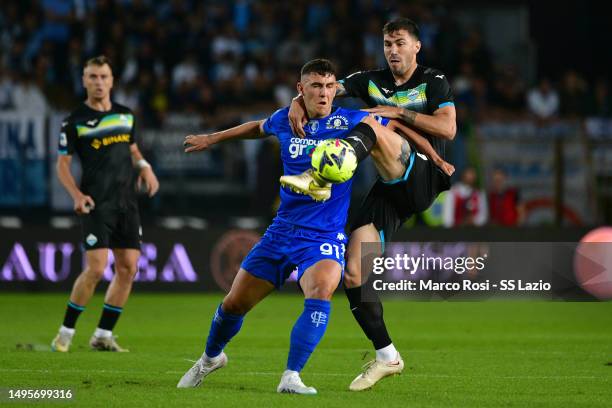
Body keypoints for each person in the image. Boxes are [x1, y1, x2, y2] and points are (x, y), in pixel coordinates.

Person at [176, 59, 453, 394]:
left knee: (321, 290)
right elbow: (256, 127)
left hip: (324, 237)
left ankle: (291, 376)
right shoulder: (286, 119)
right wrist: (212, 138)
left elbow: (392, 131)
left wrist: (435, 159)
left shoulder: (351, 120)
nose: (324, 93)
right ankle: (210, 359)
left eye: (329, 86)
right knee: (234, 304)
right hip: (282, 230)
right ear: (301, 90)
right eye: (316, 87)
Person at [284, 17, 456, 391]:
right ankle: (387, 355)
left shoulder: (434, 81)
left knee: (375, 123)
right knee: (353, 273)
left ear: (416, 46)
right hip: (390, 188)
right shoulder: (369, 80)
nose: (392, 50)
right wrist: (297, 102)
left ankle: (321, 176)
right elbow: (325, 90)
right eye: (387, 44)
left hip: (423, 174)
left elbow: (447, 129)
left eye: (399, 43)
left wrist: (398, 112)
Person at [51, 56, 159, 352]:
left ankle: (102, 335)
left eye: (103, 77)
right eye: (92, 77)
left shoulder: (126, 115)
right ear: (84, 80)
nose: (98, 82)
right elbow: (63, 165)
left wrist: (145, 167)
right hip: (96, 203)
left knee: (128, 268)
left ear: (112, 81)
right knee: (97, 269)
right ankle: (65, 332)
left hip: (127, 202)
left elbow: (133, 149)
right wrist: (76, 195)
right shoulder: (74, 121)